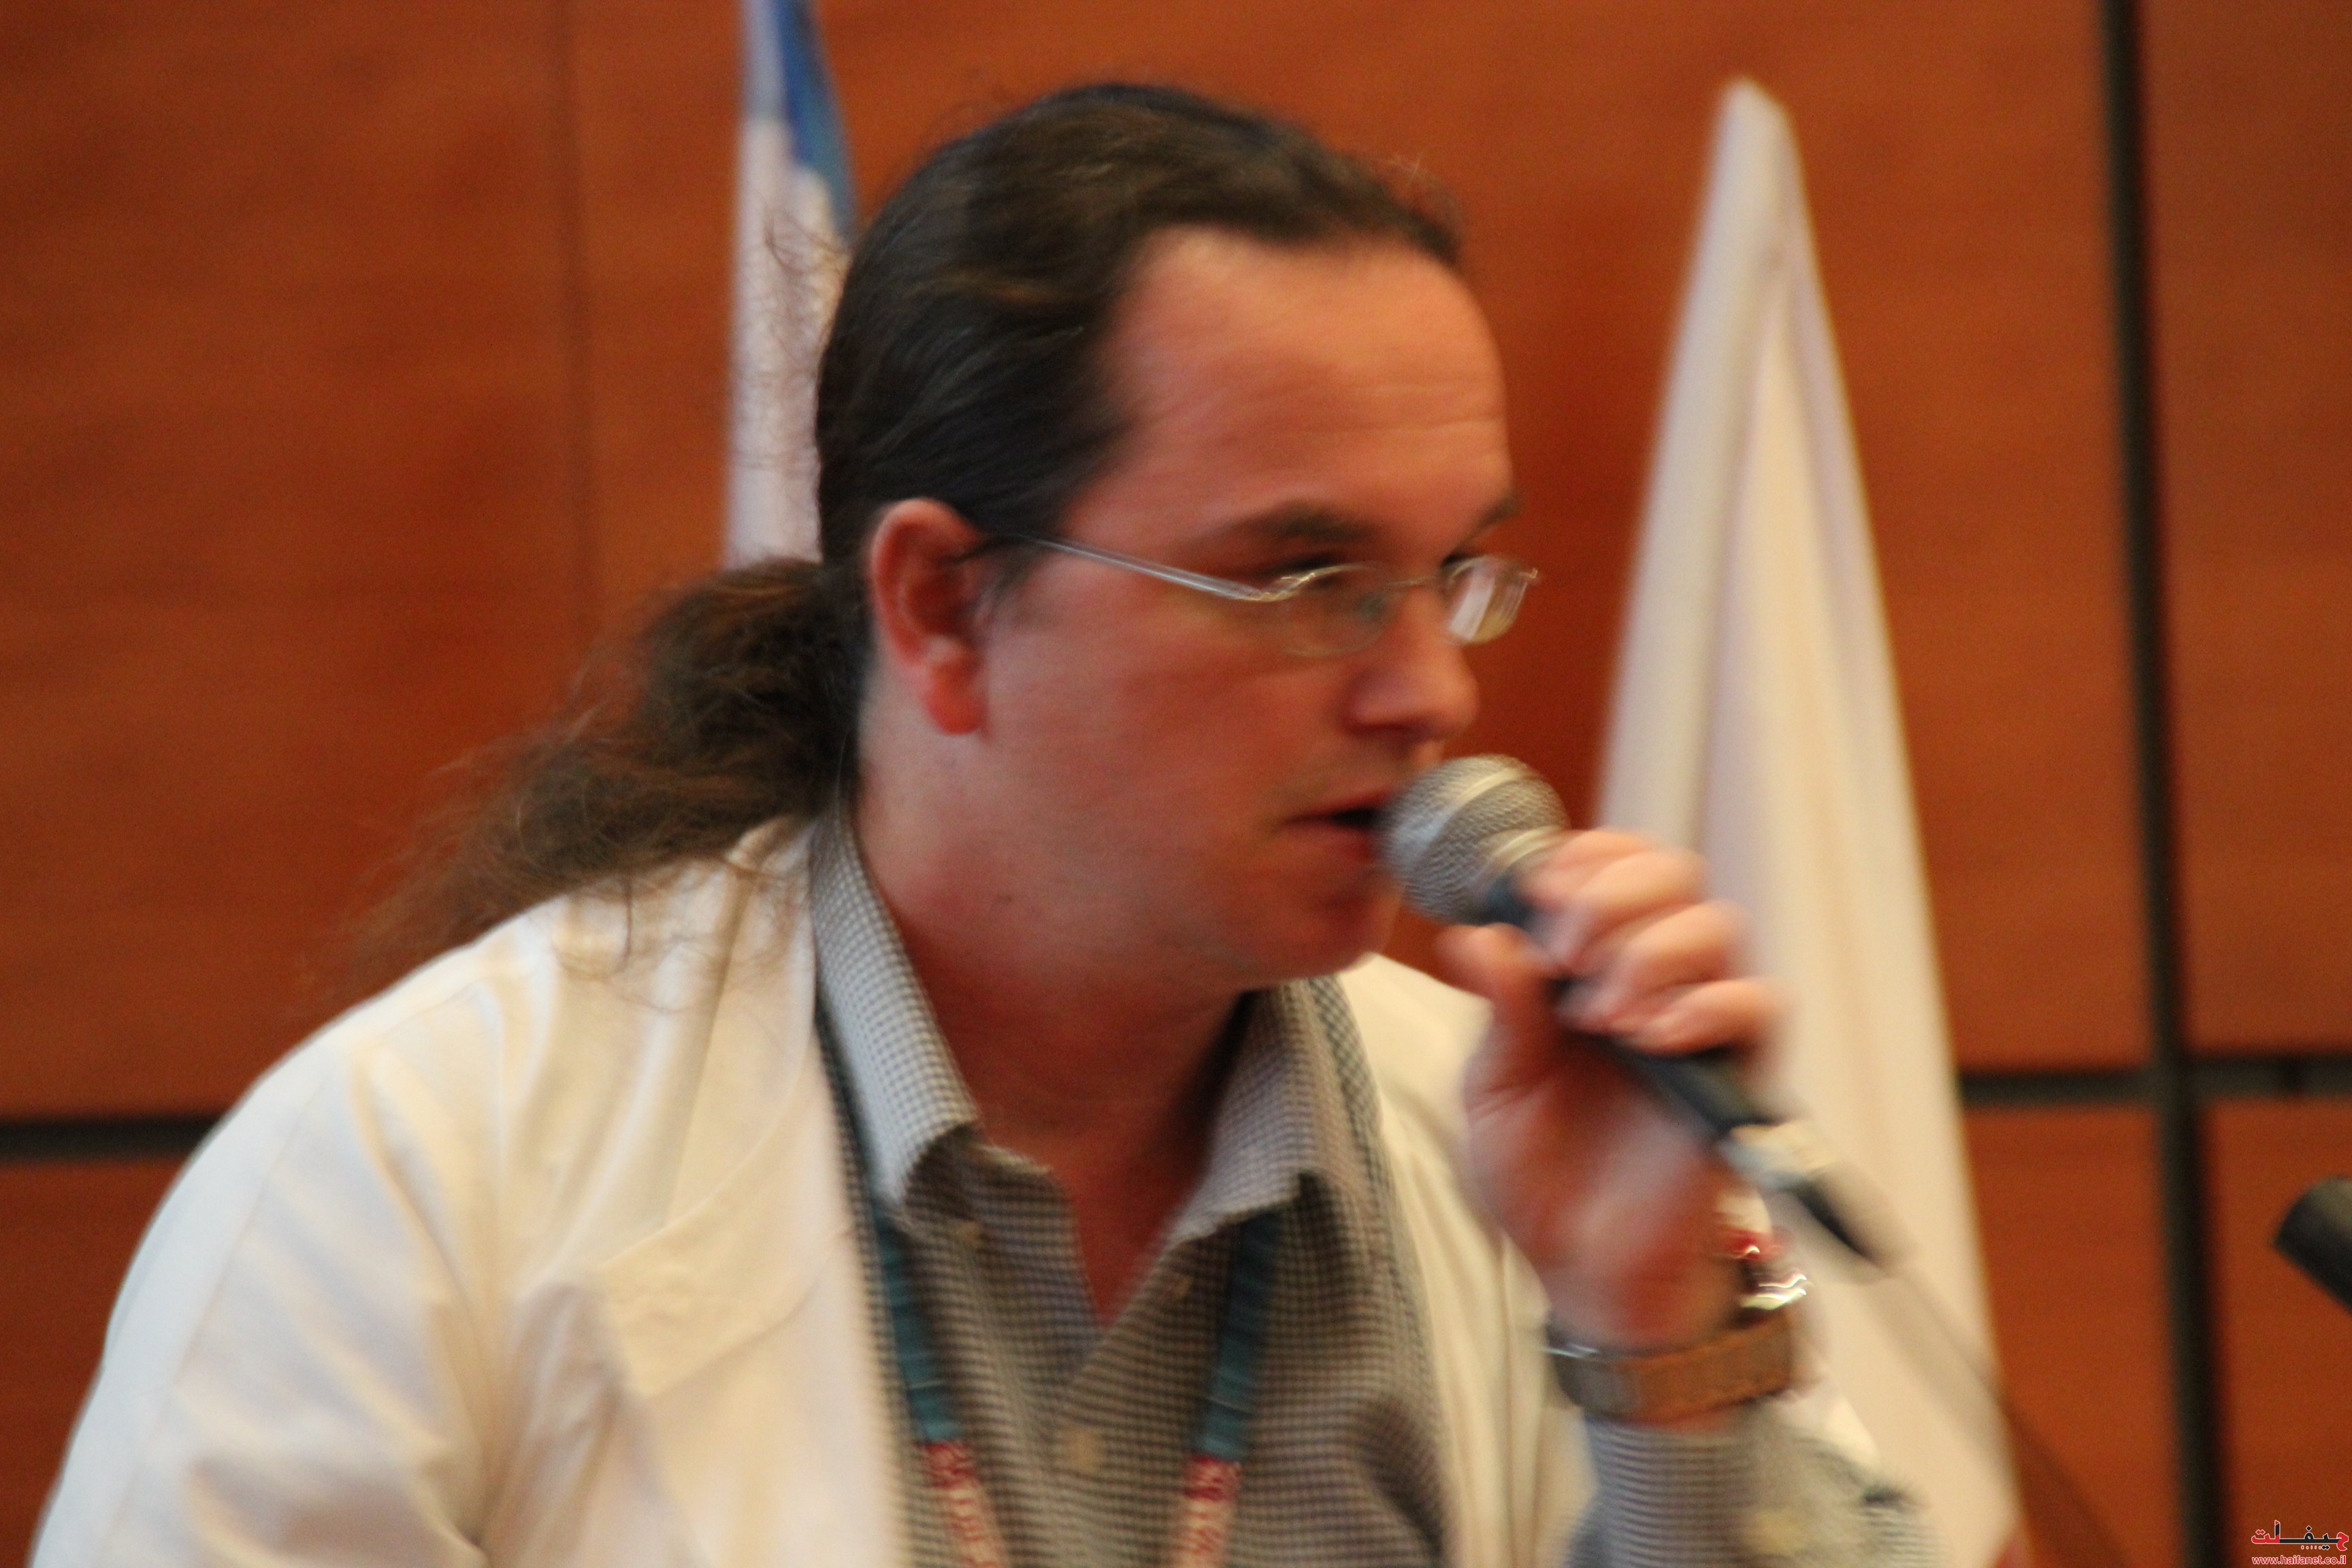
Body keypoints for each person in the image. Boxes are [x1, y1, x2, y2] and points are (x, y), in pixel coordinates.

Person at [35, 85, 1938, 1567]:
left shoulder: (1512, 1136)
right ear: (944, 606)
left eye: (1455, 574)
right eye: (1305, 581)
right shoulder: (410, 1176)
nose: (1429, 690)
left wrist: (1654, 1337)